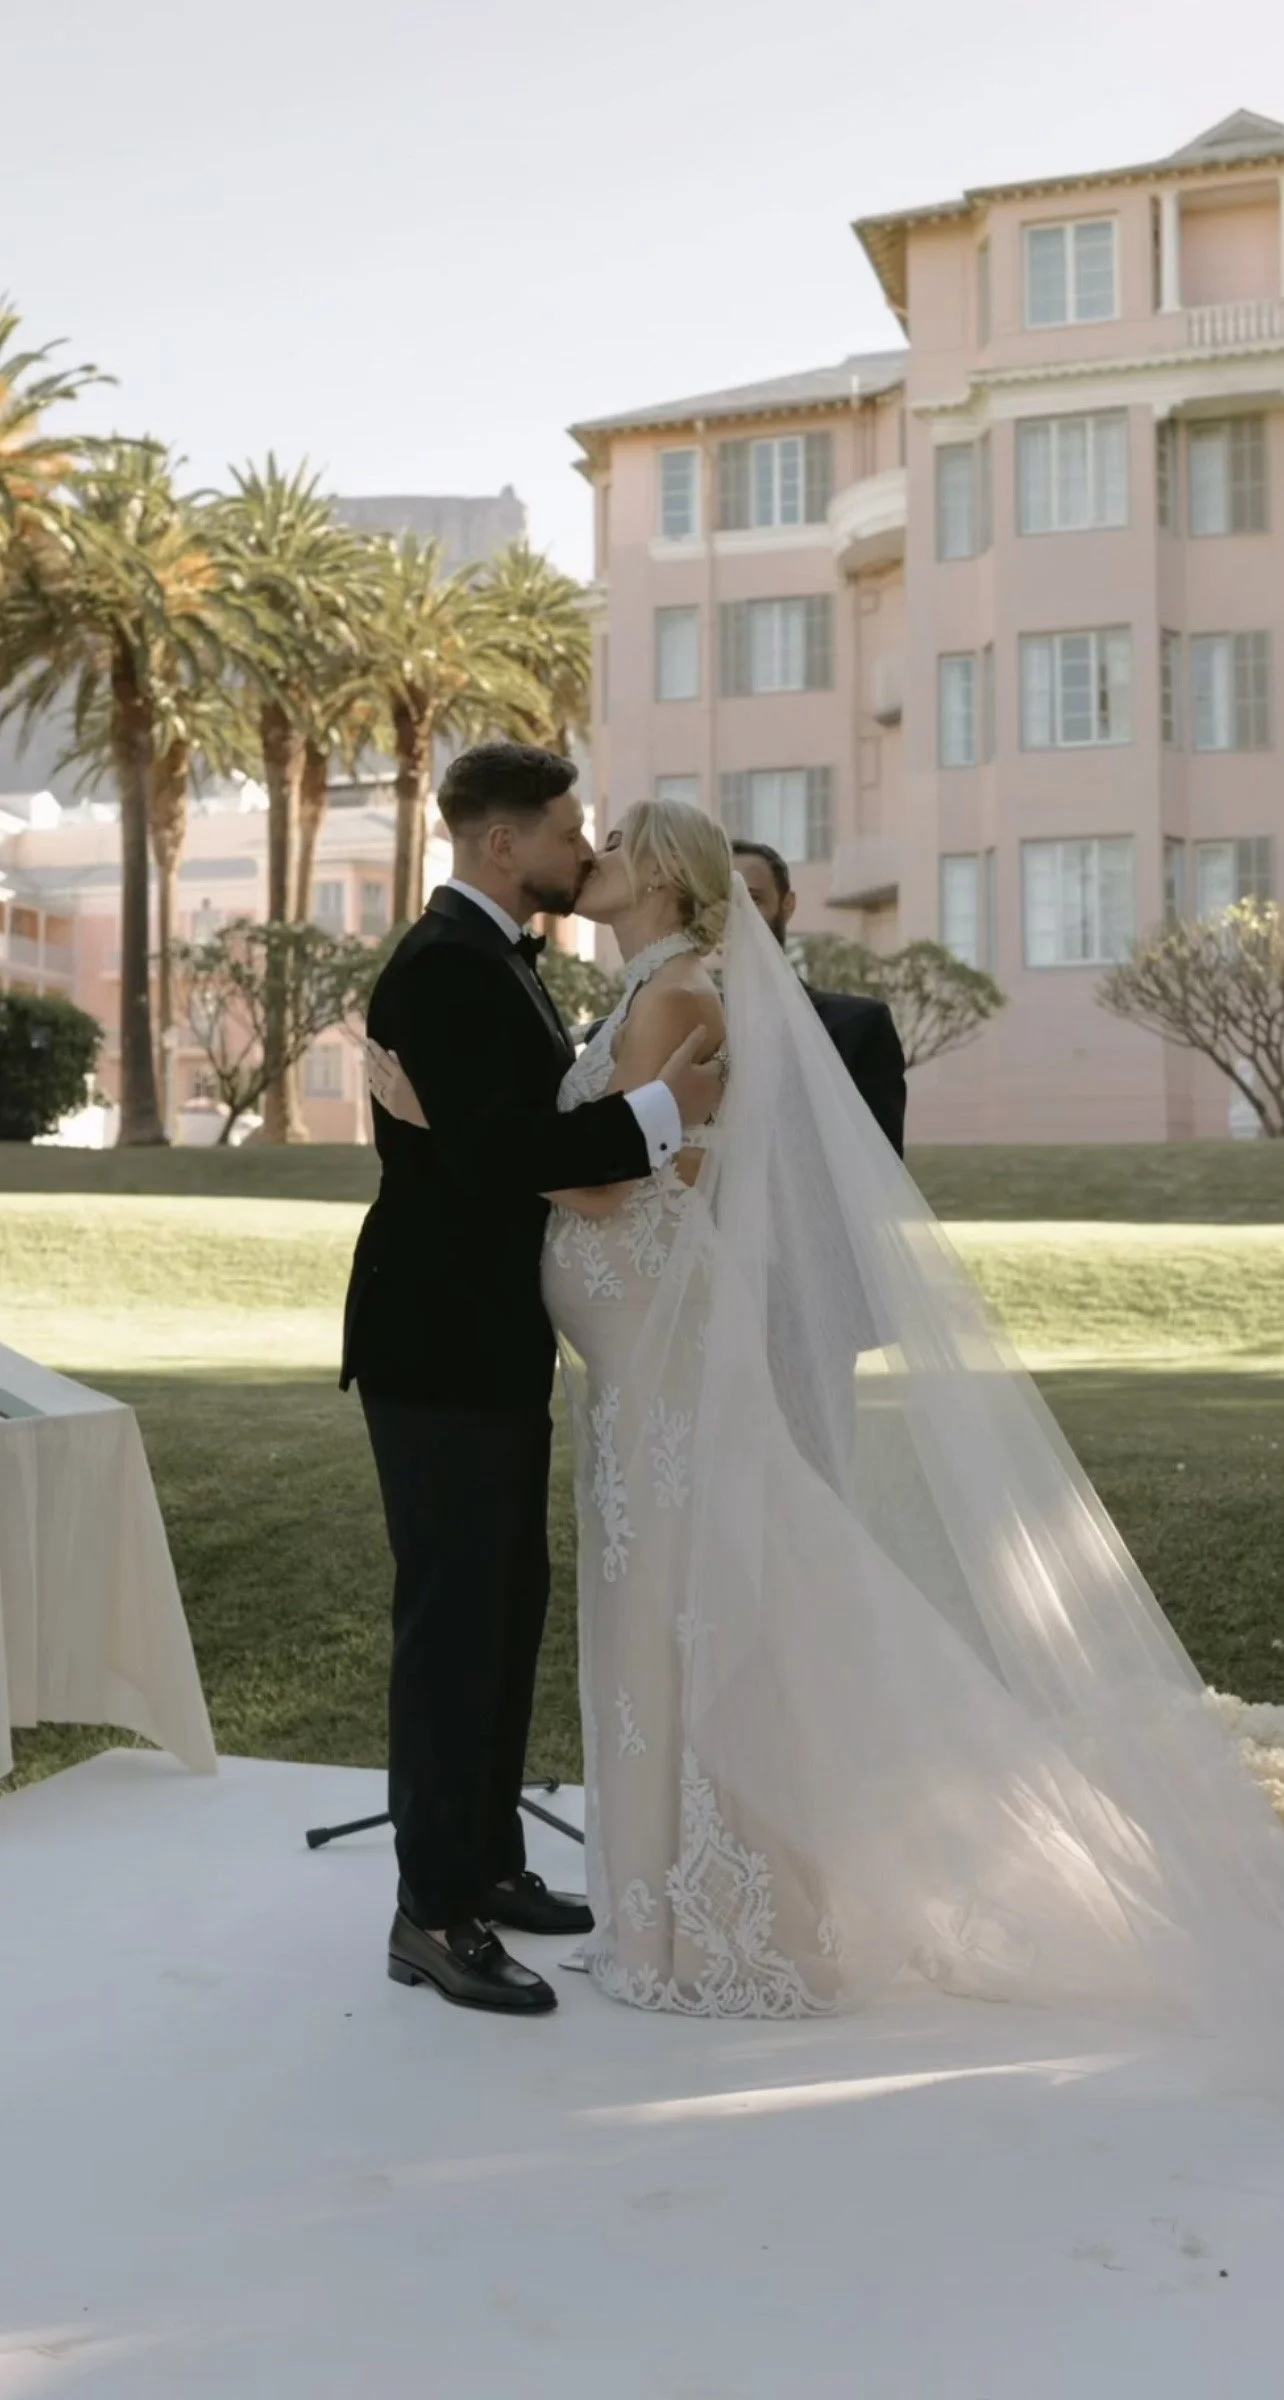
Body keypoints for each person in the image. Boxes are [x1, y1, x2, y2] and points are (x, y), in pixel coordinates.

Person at [370, 797, 1284, 2037]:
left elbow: (602, 1182)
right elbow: (631, 1154)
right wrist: (505, 1137)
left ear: (670, 881)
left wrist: (455, 1132)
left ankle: (725, 1911)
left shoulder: (678, 995)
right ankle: (665, 1898)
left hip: (659, 1363)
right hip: (634, 1369)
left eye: (619, 846)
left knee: (700, 1612)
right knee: (679, 1614)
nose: (594, 857)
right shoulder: (651, 982)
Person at [344, 744, 723, 2017]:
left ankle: (491, 1866)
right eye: (570, 828)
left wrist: (452, 1130)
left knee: (504, 1613)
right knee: (455, 1630)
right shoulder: (448, 964)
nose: (585, 846)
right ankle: (432, 1911)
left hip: (489, 1348)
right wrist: (669, 1112)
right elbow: (514, 1154)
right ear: (504, 842)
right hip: (439, 1351)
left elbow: (484, 1135)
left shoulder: (495, 955)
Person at [732, 838, 907, 1156]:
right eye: (720, 902)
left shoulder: (860, 1026)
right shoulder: (684, 1022)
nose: (736, 914)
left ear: (788, 905)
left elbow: (881, 1166)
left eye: (752, 898)